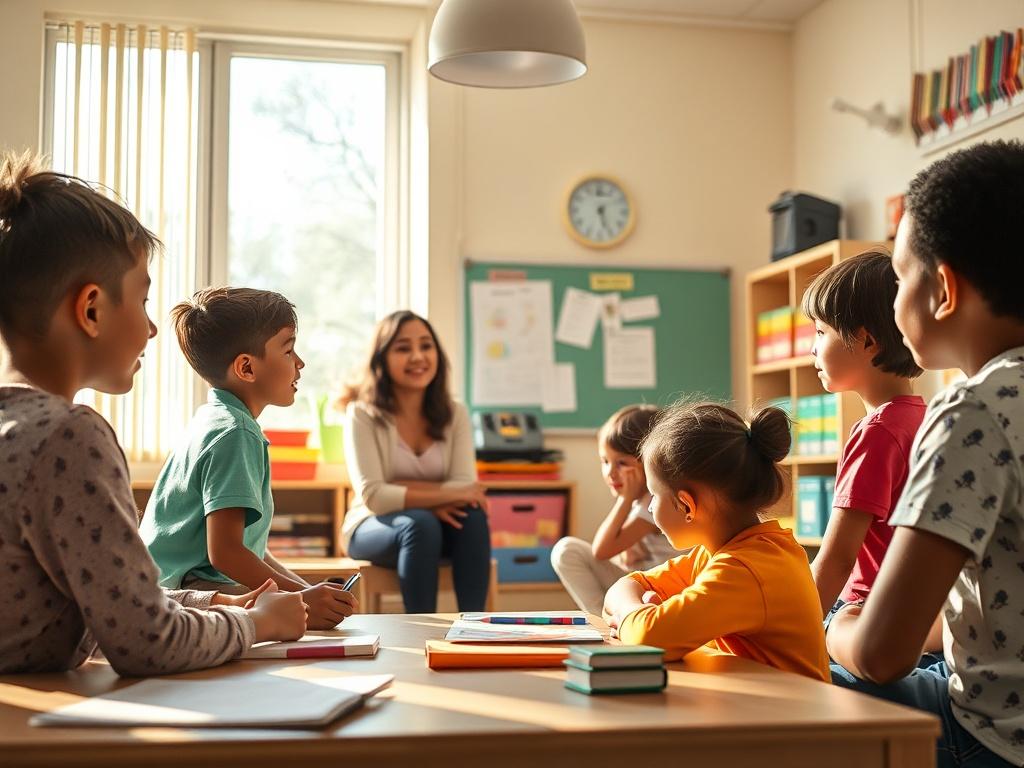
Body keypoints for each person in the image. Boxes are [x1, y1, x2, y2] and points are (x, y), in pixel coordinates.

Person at [0, 151, 306, 675]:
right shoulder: (69, 437)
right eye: (142, 301)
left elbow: (117, 603)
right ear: (91, 309)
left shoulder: (21, 426)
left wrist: (216, 606)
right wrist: (259, 624)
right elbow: (147, 640)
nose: (151, 329)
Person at [825, 140, 1024, 768]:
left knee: (773, 686)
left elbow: (883, 653)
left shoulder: (974, 410)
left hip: (991, 734)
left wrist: (835, 624)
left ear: (942, 289)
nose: (894, 299)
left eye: (900, 276)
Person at [140, 287, 357, 630]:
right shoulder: (235, 433)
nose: (300, 363)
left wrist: (305, 591)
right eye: (288, 350)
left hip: (178, 584)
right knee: (294, 621)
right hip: (189, 592)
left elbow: (249, 551)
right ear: (246, 367)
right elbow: (225, 554)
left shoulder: (216, 418)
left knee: (303, 612)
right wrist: (301, 600)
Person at [603, 401, 830, 681]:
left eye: (654, 496)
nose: (650, 508)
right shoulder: (717, 552)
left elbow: (650, 636)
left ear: (686, 505)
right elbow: (623, 587)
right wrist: (640, 611)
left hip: (801, 720)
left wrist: (632, 614)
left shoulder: (746, 570)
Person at [800, 252, 931, 637]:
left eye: (821, 332)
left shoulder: (876, 432)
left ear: (867, 341)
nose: (813, 348)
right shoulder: (921, 416)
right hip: (913, 612)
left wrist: (791, 630)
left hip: (865, 613)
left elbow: (839, 559)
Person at [341, 310, 491, 612]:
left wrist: (401, 488)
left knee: (472, 516)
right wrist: (439, 499)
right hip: (372, 529)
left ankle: (476, 629)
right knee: (421, 524)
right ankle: (418, 632)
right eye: (402, 348)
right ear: (382, 357)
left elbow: (465, 488)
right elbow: (374, 497)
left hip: (438, 528)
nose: (417, 356)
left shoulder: (455, 413)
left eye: (426, 345)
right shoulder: (362, 414)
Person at [551, 404, 681, 615]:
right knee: (569, 552)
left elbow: (601, 551)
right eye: (605, 461)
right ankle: (608, 615)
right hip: (646, 582)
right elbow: (619, 556)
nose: (610, 472)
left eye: (622, 463)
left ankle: (603, 621)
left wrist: (625, 499)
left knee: (567, 550)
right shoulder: (642, 501)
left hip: (660, 589)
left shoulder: (653, 501)